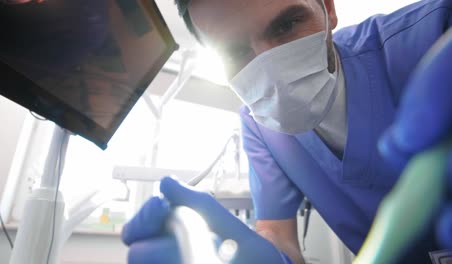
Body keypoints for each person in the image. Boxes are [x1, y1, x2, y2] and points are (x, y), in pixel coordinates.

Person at [122, 0, 452, 263]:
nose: (271, 64)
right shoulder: (259, 127)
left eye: (286, 25)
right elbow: (278, 236)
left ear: (329, 8)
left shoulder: (433, 35)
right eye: (235, 52)